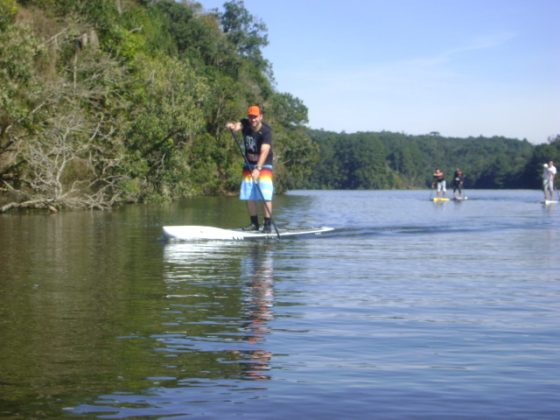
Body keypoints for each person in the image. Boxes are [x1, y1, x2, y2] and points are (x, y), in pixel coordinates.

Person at [226, 105, 274, 232]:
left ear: (260, 117)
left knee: (265, 193)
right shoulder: (245, 123)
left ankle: (267, 225)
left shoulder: (266, 131)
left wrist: (258, 169)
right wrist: (231, 126)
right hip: (248, 164)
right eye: (250, 116)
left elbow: (264, 151)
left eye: (255, 117)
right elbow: (237, 126)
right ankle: (254, 224)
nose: (252, 119)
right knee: (249, 194)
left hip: (264, 165)